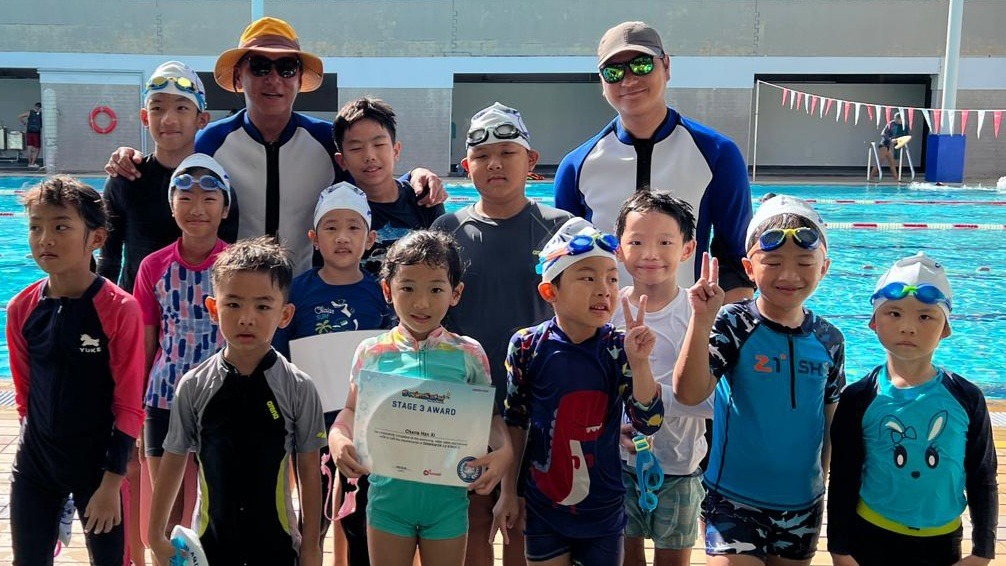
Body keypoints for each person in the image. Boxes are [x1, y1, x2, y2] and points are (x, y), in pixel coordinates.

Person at [105, 17, 446, 274]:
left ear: (299, 79)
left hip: (307, 295)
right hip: (237, 297)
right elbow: (172, 184)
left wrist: (415, 175)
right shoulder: (211, 142)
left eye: (286, 67)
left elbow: (372, 181)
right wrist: (131, 158)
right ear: (239, 77)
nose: (273, 79)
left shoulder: (325, 141)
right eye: (259, 66)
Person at [432, 101, 572, 566]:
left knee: (522, 527)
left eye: (508, 152)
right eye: (482, 155)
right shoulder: (447, 231)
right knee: (471, 524)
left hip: (538, 409)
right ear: (466, 166)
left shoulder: (562, 231)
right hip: (466, 406)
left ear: (531, 161)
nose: (494, 163)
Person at [673, 195, 844, 565]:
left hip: (802, 505)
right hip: (733, 500)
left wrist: (823, 488)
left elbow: (829, 423)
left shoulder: (829, 340)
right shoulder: (734, 324)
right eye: (773, 262)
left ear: (824, 267)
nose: (789, 275)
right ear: (750, 268)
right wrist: (702, 321)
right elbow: (689, 393)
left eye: (804, 263)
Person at [328, 230, 514, 566]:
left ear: (455, 293)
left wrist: (504, 452)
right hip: (387, 502)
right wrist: (337, 437)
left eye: (436, 289)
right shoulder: (372, 352)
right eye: (408, 288)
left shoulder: (468, 354)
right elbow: (352, 409)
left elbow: (488, 418)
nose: (422, 302)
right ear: (388, 290)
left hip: (448, 503)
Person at [494, 217, 665, 565]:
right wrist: (508, 492)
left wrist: (640, 362)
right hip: (543, 505)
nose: (604, 289)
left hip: (603, 510)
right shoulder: (527, 346)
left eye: (612, 279)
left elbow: (648, 422)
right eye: (587, 277)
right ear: (550, 291)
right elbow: (516, 421)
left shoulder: (619, 348)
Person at [148, 236, 327, 566]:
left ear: (284, 315)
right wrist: (155, 534)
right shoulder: (194, 386)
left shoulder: (299, 387)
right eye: (233, 304)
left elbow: (308, 471)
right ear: (214, 309)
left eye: (262, 306)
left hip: (276, 544)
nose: (247, 318)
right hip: (210, 544)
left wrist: (312, 545)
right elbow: (173, 460)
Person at [554, 21, 754, 302]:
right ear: (602, 83)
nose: (629, 79)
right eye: (613, 71)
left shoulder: (717, 153)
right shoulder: (577, 166)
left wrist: (724, 335)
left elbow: (736, 260)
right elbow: (565, 264)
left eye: (642, 65)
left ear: (667, 66)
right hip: (604, 337)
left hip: (690, 332)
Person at [7, 176, 144, 564]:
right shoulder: (21, 309)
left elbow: (130, 403)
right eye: (36, 227)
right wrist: (33, 449)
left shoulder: (119, 309)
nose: (44, 239)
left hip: (99, 465)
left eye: (61, 226)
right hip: (37, 463)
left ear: (97, 239)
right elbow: (24, 394)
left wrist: (112, 481)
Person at [828, 252, 997, 566]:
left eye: (924, 316)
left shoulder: (967, 397)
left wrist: (983, 552)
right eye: (893, 313)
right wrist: (839, 549)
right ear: (873, 323)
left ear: (945, 328)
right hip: (871, 535)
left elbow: (982, 475)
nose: (907, 327)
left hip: (942, 541)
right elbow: (843, 476)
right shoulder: (859, 397)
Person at [271, 181, 393, 566]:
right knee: (312, 518)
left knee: (360, 520)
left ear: (371, 238)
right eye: (331, 227)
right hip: (310, 426)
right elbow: (278, 353)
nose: (342, 237)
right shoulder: (297, 290)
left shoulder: (382, 293)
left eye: (353, 228)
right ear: (315, 238)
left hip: (365, 428)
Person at [131, 153, 232, 534]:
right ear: (171, 204)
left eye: (209, 199)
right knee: (166, 511)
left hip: (220, 395)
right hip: (163, 397)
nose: (197, 209)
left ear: (224, 208)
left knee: (218, 505)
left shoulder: (235, 263)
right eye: (185, 197)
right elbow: (146, 341)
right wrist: (136, 413)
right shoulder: (153, 267)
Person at [610, 190, 711, 566]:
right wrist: (617, 423)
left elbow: (715, 401)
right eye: (636, 242)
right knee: (627, 556)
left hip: (681, 467)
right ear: (618, 249)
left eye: (665, 242)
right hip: (619, 464)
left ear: (687, 249)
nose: (650, 253)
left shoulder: (698, 314)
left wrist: (645, 405)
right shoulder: (608, 312)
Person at [99, 60, 236, 294]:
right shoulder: (126, 178)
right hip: (138, 316)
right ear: (145, 118)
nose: (168, 119)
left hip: (199, 316)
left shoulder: (217, 184)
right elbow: (109, 259)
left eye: (182, 108)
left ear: (201, 120)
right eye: (157, 108)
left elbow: (230, 259)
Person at [333, 97, 446, 276]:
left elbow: (443, 266)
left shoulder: (423, 200)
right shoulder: (337, 210)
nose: (369, 156)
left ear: (396, 151)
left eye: (379, 145)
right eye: (356, 148)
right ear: (342, 161)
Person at [870, 112, 909, 181]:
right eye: (897, 120)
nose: (898, 121)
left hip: (888, 147)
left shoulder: (903, 125)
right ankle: (871, 176)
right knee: (880, 161)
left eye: (899, 120)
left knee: (892, 163)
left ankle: (896, 178)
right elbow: (882, 133)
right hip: (884, 144)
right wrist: (890, 139)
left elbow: (905, 135)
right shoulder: (891, 123)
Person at [18, 102, 42, 168]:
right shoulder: (41, 114)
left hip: (29, 132)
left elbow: (19, 117)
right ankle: (33, 163)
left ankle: (29, 163)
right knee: (37, 149)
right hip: (36, 133)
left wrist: (24, 124)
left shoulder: (29, 112)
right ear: (40, 107)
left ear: (35, 106)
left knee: (29, 148)